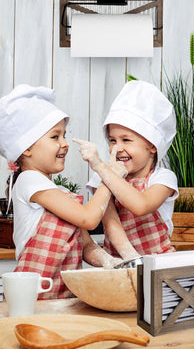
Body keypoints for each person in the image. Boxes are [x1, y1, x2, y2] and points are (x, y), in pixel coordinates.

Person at [0, 85, 124, 299]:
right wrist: (109, 176)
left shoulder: (60, 193)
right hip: (34, 298)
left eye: (64, 135)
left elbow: (86, 245)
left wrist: (108, 260)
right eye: (54, 137)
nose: (65, 144)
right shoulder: (29, 181)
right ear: (26, 148)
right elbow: (88, 219)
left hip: (66, 299)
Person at [78, 80, 178, 263]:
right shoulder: (102, 178)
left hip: (161, 264)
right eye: (112, 140)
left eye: (126, 140)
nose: (117, 148)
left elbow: (140, 206)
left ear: (152, 145)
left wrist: (102, 168)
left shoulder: (163, 178)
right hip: (120, 262)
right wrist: (130, 261)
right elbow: (111, 222)